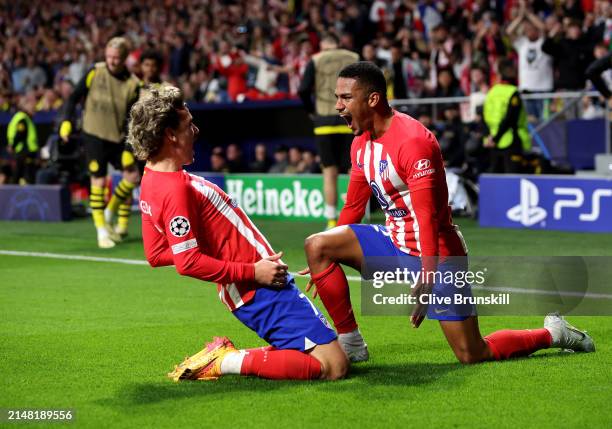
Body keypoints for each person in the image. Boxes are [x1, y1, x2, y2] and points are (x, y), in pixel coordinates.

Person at [299, 61, 594, 364]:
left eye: (345, 98)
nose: (337, 106)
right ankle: (351, 343)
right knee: (318, 244)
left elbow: (428, 217)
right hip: (393, 241)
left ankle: (553, 333)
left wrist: (427, 274)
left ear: (372, 99)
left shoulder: (413, 142)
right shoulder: (361, 143)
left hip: (436, 253)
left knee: (472, 353)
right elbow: (353, 206)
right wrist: (329, 246)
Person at [127, 85, 348, 381]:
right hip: (257, 287)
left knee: (322, 354)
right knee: (333, 367)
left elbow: (155, 254)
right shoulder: (174, 187)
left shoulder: (152, 177)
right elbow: (187, 262)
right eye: (188, 124)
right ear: (169, 134)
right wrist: (252, 271)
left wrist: (209, 251)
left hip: (255, 283)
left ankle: (233, 357)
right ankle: (225, 360)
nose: (196, 129)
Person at [59, 37, 141, 248]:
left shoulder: (133, 84)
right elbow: (73, 98)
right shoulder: (95, 71)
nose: (112, 61)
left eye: (116, 58)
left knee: (132, 176)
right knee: (98, 179)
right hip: (93, 133)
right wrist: (66, 121)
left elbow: (133, 120)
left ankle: (110, 210)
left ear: (124, 59)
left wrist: (128, 147)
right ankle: (101, 231)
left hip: (117, 137)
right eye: (109, 56)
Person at [298, 33, 359, 229]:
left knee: (329, 172)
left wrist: (310, 111)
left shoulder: (315, 60)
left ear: (323, 44)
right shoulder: (353, 58)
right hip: (350, 119)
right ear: (338, 42)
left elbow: (303, 90)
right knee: (354, 170)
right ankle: (356, 218)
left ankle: (332, 221)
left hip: (324, 119)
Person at [482, 59, 532, 173]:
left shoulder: (491, 92)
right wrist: (496, 138)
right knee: (512, 179)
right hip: (510, 140)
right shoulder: (513, 92)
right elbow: (510, 119)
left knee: (496, 178)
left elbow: (484, 117)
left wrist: (489, 137)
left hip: (492, 141)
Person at [6, 94, 39, 184]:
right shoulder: (22, 118)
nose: (34, 108)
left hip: (25, 153)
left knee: (20, 177)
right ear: (25, 106)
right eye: (32, 106)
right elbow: (20, 134)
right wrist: (12, 146)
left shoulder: (25, 118)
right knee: (23, 177)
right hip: (23, 152)